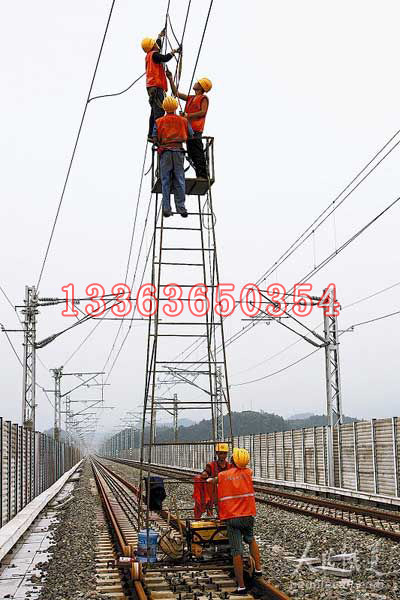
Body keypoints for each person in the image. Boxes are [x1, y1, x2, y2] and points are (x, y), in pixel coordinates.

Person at [207, 448, 263, 595]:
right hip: (248, 516)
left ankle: (241, 586)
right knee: (251, 539)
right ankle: (258, 569)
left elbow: (213, 481)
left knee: (236, 551)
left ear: (233, 461)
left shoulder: (224, 475)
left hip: (232, 518)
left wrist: (208, 480)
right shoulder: (248, 473)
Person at [153, 96, 193, 218]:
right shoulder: (183, 120)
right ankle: (181, 208)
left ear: (164, 107)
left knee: (165, 181)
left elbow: (155, 137)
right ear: (175, 107)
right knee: (179, 179)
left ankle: (166, 208)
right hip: (178, 152)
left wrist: (159, 142)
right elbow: (191, 135)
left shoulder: (159, 121)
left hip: (165, 152)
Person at [166, 71, 212, 179]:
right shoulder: (191, 98)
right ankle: (199, 174)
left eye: (198, 83)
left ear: (201, 87)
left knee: (197, 152)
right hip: (188, 130)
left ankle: (203, 175)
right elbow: (176, 93)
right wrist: (170, 78)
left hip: (196, 130)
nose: (195, 83)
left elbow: (203, 112)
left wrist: (187, 115)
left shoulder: (203, 98)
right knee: (191, 153)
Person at [141, 31, 181, 140]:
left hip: (152, 87)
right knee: (159, 111)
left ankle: (151, 134)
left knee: (154, 111)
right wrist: (174, 52)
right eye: (155, 43)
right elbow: (164, 58)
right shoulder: (154, 55)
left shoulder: (150, 55)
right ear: (152, 46)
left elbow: (157, 47)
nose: (157, 44)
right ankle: (156, 135)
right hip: (156, 87)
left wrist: (160, 36)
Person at [200, 442, 230, 515]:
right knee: (211, 510)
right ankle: (210, 518)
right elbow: (205, 473)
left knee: (224, 513)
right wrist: (205, 474)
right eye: (221, 453)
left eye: (224, 453)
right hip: (213, 493)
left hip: (226, 493)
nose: (223, 456)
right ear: (217, 453)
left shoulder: (229, 466)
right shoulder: (211, 465)